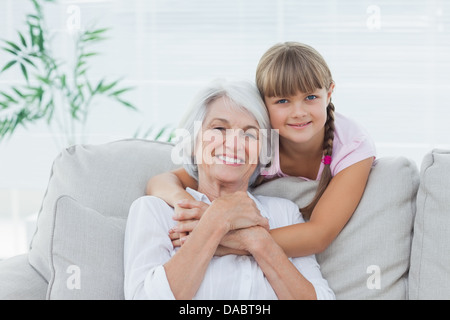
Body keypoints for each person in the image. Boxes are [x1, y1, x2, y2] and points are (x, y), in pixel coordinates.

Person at [145, 42, 376, 258]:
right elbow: (162, 182)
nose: (298, 112)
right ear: (263, 104)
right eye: (283, 101)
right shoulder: (254, 143)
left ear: (330, 93)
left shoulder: (352, 145)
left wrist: (220, 236)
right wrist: (199, 212)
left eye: (311, 97)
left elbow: (318, 235)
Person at [124, 79, 335, 300]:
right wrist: (217, 218)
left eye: (250, 134)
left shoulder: (285, 214)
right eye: (219, 128)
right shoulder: (155, 211)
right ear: (194, 142)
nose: (234, 144)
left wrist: (257, 241)